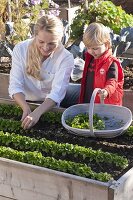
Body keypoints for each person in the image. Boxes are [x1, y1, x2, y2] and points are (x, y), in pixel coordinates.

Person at [8, 15, 74, 129]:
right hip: (26, 100)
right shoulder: (21, 49)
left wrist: (37, 113)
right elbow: (15, 85)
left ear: (59, 39)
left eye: (51, 43)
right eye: (41, 41)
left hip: (49, 105)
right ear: (35, 35)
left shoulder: (65, 58)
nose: (46, 47)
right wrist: (26, 108)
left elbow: (57, 93)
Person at [79, 22, 124, 105]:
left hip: (106, 103)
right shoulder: (91, 58)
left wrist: (106, 91)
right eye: (88, 48)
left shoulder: (111, 63)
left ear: (106, 45)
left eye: (95, 48)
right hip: (90, 98)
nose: (91, 51)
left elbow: (112, 81)